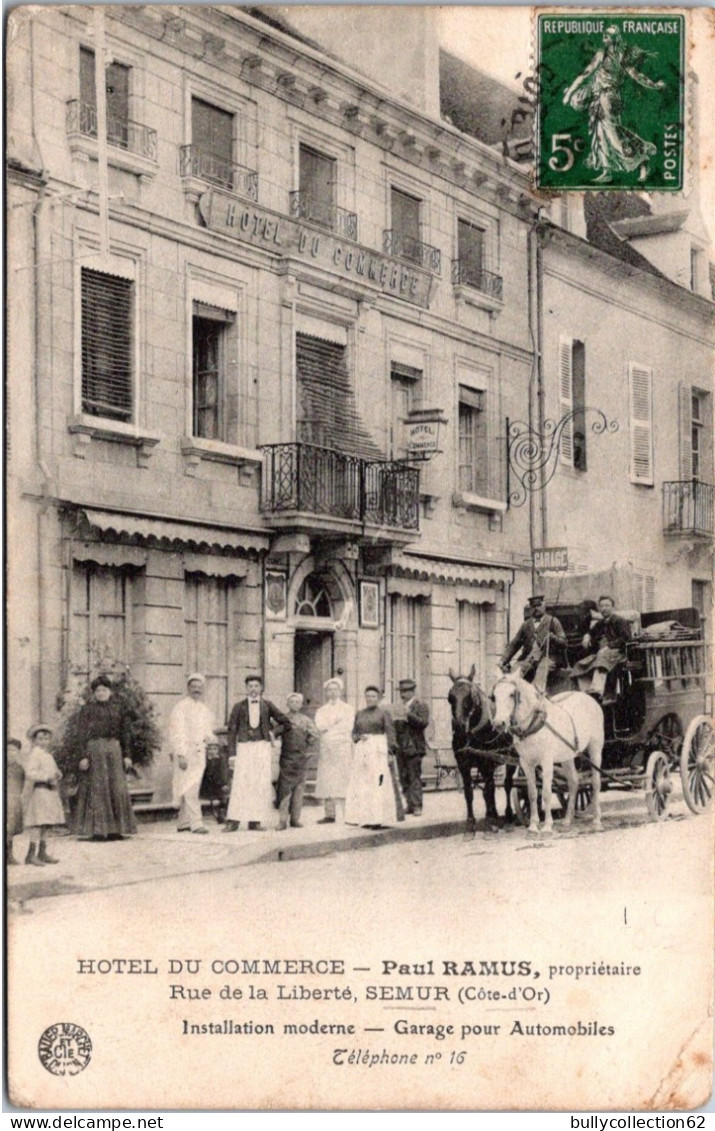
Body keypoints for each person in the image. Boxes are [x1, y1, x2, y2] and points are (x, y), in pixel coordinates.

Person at [562, 24, 665, 184]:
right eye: (604, 34)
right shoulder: (621, 57)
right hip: (610, 98)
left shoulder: (603, 55)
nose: (604, 36)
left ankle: (640, 159)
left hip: (606, 98)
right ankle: (607, 170)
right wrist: (655, 85)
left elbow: (585, 74)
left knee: (611, 135)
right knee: (604, 132)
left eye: (607, 35)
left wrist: (569, 94)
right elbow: (637, 76)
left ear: (614, 39)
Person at [73, 675, 137, 840]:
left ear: (110, 691)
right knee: (98, 789)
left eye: (104, 690)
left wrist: (127, 755)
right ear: (94, 693)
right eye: (98, 690)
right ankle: (98, 831)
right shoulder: (87, 710)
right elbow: (80, 735)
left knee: (117, 787)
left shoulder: (118, 709)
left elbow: (125, 734)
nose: (101, 693)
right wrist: (83, 756)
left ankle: (116, 830)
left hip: (114, 750)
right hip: (95, 750)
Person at [224, 676, 289, 831]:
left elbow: (285, 722)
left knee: (259, 783)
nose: (253, 689)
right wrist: (232, 754)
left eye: (256, 686)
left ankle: (256, 821)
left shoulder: (267, 705)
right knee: (241, 783)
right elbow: (232, 731)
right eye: (250, 686)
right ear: (246, 688)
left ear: (261, 688)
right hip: (244, 747)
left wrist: (272, 732)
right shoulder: (238, 707)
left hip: (262, 747)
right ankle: (234, 821)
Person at [168, 674, 216, 835]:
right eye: (193, 686)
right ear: (188, 688)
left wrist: (212, 740)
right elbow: (176, 733)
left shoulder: (204, 709)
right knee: (190, 788)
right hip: (186, 752)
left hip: (199, 752)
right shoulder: (180, 707)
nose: (196, 689)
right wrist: (181, 754)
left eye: (199, 687)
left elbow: (207, 731)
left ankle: (183, 822)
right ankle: (196, 823)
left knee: (189, 786)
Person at [345, 686, 399, 828]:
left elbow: (390, 732)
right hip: (362, 749)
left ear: (379, 698)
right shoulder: (360, 713)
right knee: (362, 783)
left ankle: (377, 818)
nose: (370, 699)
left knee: (377, 782)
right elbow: (353, 732)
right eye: (367, 696)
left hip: (377, 748)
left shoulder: (383, 713)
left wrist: (390, 751)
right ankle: (363, 817)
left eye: (373, 696)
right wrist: (358, 737)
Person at [569, 595, 632, 699]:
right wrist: (587, 636)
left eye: (607, 605)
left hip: (618, 653)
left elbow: (626, 639)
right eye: (602, 606)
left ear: (613, 607)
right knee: (581, 665)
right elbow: (591, 632)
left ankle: (597, 689)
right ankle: (585, 693)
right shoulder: (601, 623)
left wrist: (609, 646)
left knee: (601, 659)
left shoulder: (620, 621)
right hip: (603, 653)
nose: (604, 608)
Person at [500, 596, 567, 690]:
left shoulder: (553, 621)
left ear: (544, 606)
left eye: (539, 605)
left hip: (548, 658)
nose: (536, 608)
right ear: (530, 608)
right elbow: (514, 644)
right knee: (514, 672)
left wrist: (553, 638)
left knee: (541, 673)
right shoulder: (526, 625)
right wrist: (503, 660)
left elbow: (564, 642)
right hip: (529, 659)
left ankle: (537, 699)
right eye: (533, 606)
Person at [22, 724, 65, 866]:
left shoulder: (48, 755)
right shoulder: (35, 754)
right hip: (40, 792)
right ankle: (30, 854)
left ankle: (42, 852)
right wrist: (46, 777)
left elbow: (54, 770)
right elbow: (30, 773)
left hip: (51, 792)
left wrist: (58, 774)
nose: (43, 742)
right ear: (34, 740)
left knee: (47, 823)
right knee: (38, 823)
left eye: (46, 739)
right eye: (40, 739)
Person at [314, 677, 355, 825]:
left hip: (342, 746)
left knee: (343, 778)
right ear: (326, 692)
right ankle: (329, 814)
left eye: (335, 689)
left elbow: (348, 727)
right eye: (329, 690)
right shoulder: (321, 710)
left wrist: (330, 728)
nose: (332, 692)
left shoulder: (348, 709)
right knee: (327, 778)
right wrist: (334, 722)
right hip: (327, 747)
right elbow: (319, 726)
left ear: (340, 691)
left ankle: (346, 813)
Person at [276, 693, 319, 830]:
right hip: (286, 758)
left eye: (297, 702)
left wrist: (305, 745)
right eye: (291, 702)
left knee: (299, 789)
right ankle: (282, 820)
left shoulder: (306, 720)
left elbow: (315, 735)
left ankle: (295, 819)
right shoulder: (283, 719)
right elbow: (274, 733)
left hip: (300, 758)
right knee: (284, 789)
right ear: (287, 704)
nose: (294, 704)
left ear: (301, 705)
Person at [392, 679, 429, 817]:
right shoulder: (398, 706)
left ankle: (417, 805)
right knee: (403, 777)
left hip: (414, 747)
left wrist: (409, 714)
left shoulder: (421, 705)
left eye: (406, 691)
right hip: (401, 747)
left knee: (414, 777)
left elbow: (423, 723)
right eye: (401, 691)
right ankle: (409, 804)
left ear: (412, 691)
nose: (403, 694)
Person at [7, 737, 25, 865]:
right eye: (7, 750)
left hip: (14, 802)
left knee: (11, 828)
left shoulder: (20, 769)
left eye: (14, 750)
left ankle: (9, 855)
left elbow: (23, 786)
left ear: (18, 752)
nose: (10, 753)